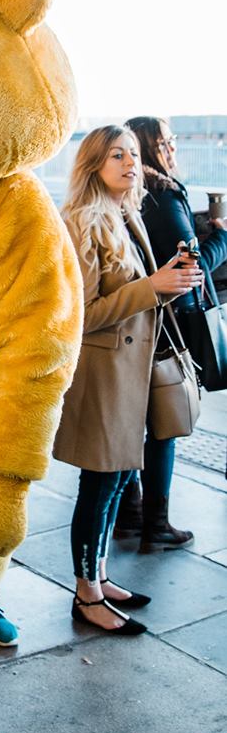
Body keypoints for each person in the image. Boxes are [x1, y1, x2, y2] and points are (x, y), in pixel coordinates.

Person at [53, 126, 203, 633]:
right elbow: (82, 314)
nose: (129, 162)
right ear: (94, 164)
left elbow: (139, 291)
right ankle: (86, 594)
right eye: (116, 155)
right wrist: (153, 286)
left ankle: (98, 577)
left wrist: (171, 278)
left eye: (134, 154)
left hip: (129, 372)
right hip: (103, 375)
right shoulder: (82, 221)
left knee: (118, 479)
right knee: (98, 482)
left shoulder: (128, 213)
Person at [117, 116, 227, 552]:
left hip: (133, 322)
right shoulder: (163, 193)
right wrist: (221, 238)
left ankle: (130, 513)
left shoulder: (124, 192)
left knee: (133, 419)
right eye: (167, 141)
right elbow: (190, 264)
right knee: (165, 420)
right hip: (171, 323)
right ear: (152, 147)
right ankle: (156, 524)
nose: (173, 148)